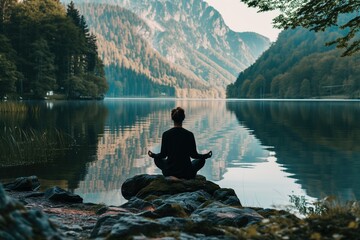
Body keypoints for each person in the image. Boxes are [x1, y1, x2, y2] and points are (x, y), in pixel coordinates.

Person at [148, 107, 212, 180]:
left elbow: (163, 155)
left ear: (172, 118)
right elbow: (194, 155)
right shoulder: (189, 134)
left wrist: (153, 155)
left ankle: (171, 177)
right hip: (187, 172)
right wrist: (205, 156)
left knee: (157, 158)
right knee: (201, 160)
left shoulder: (166, 134)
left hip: (170, 171)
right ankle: (185, 178)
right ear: (183, 118)